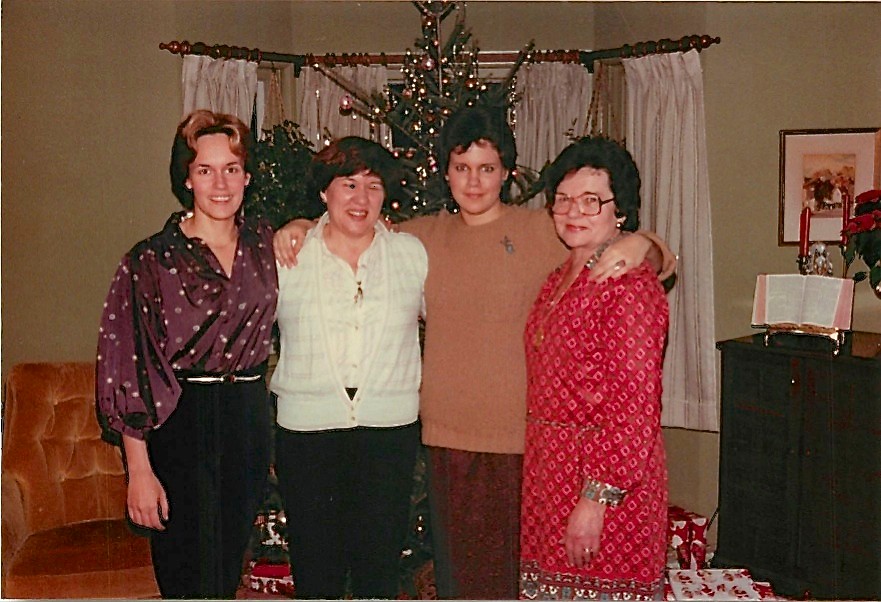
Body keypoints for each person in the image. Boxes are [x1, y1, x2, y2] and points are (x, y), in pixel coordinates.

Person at [273, 106, 675, 599]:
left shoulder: (543, 230)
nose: (475, 181)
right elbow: (354, 225)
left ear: (506, 172)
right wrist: (297, 226)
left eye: (487, 168)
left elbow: (628, 248)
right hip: (446, 439)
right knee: (460, 582)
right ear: (445, 171)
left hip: (522, 443)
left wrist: (643, 244)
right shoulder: (419, 239)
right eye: (462, 167)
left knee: (512, 582)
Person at [96, 110, 278, 598]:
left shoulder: (267, 243)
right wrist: (138, 470)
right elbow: (129, 365)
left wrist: (301, 223)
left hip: (247, 418)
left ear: (248, 176)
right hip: (181, 423)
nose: (220, 183)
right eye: (205, 170)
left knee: (224, 575)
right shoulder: (150, 260)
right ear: (186, 178)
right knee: (184, 575)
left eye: (231, 169)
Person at [270, 137, 427, 599]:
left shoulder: (411, 254)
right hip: (307, 435)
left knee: (378, 571)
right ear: (324, 192)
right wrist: (295, 226)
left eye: (373, 186)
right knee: (316, 571)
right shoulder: (287, 256)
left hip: (389, 435)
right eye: (349, 184)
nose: (361, 199)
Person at [520, 137, 669, 600]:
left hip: (604, 483)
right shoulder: (557, 278)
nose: (574, 212)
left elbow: (634, 406)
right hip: (549, 473)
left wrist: (595, 500)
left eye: (591, 201)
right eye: (563, 200)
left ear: (619, 210)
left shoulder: (631, 287)